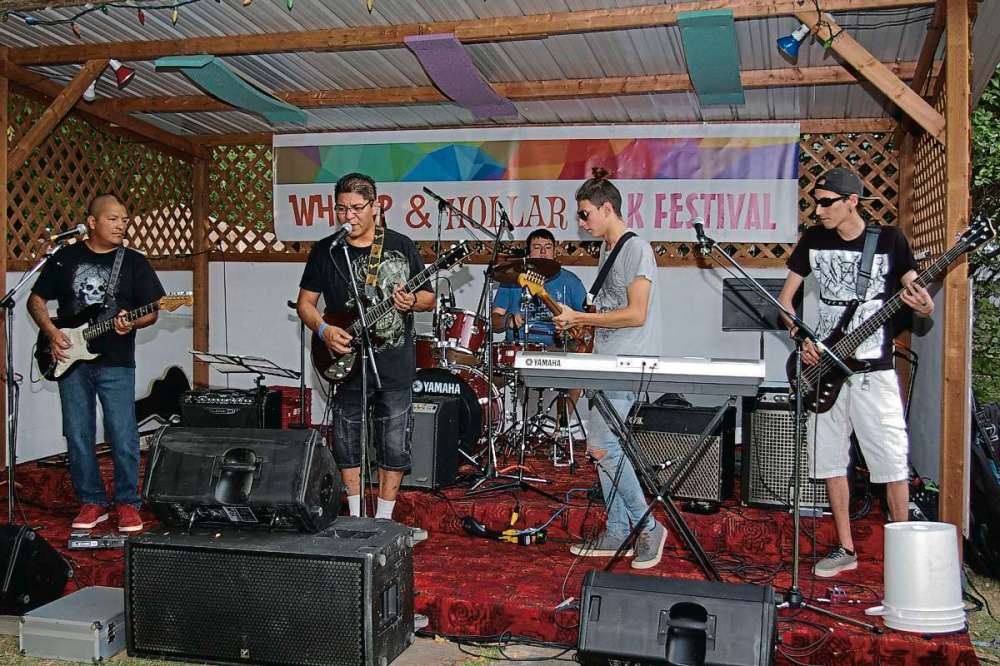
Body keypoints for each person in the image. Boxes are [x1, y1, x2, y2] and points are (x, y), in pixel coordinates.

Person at [777, 167, 934, 578]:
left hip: (874, 370)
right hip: (824, 368)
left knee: (891, 462)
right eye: (815, 201)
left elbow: (917, 291)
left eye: (826, 202)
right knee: (829, 461)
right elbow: (785, 302)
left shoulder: (890, 241)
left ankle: (903, 559)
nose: (819, 209)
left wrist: (924, 306)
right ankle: (846, 547)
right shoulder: (813, 241)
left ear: (852, 201)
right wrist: (802, 336)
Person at [297, 172, 435, 523]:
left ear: (376, 206)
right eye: (342, 209)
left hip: (393, 362)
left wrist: (410, 301)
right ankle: (356, 517)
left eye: (357, 208)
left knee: (393, 442)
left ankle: (385, 519)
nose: (349, 216)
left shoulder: (401, 245)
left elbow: (429, 298)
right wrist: (325, 330)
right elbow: (305, 304)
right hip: (345, 363)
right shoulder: (326, 251)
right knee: (347, 440)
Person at [27, 193, 165, 533]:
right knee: (77, 433)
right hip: (71, 360)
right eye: (113, 219)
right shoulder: (65, 258)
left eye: (125, 220)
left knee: (123, 435)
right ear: (92, 222)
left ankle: (127, 504)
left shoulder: (133, 262)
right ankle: (92, 502)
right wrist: (52, 332)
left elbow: (152, 311)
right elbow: (36, 300)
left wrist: (132, 322)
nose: (121, 225)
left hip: (116, 361)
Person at [553, 167, 667, 569]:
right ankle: (619, 528)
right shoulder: (608, 250)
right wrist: (582, 318)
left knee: (604, 447)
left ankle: (650, 527)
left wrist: (582, 321)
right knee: (600, 448)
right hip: (605, 359)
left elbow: (636, 314)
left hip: (628, 361)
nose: (581, 222)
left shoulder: (637, 249)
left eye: (584, 214)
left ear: (606, 208)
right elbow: (610, 310)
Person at [491, 228, 587, 347]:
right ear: (528, 253)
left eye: (548, 247)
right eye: (537, 248)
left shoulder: (571, 281)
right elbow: (494, 321)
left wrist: (572, 329)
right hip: (517, 348)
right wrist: (508, 320)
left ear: (554, 252)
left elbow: (586, 320)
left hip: (557, 350)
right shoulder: (511, 280)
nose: (543, 252)